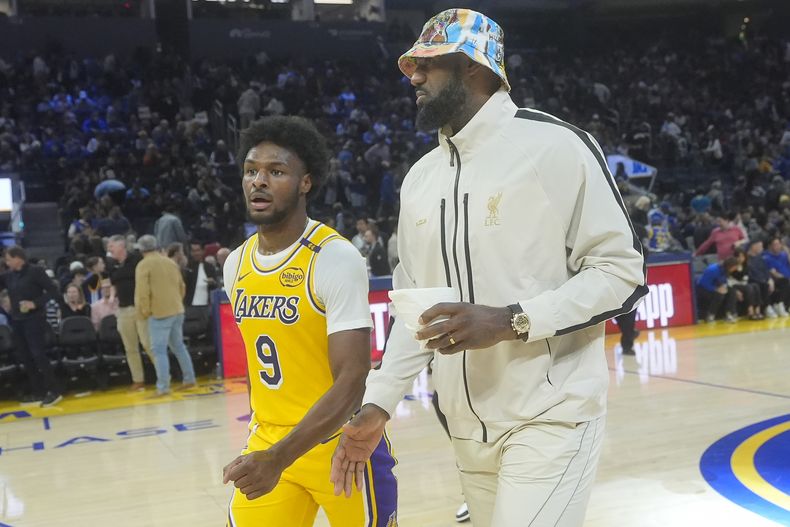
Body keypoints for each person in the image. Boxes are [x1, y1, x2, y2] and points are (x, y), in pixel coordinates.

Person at [329, 10, 647, 527]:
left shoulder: (555, 146)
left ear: (476, 68)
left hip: (552, 416)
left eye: (429, 65)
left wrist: (509, 319)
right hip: (463, 428)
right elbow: (417, 310)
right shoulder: (420, 179)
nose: (413, 77)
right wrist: (379, 404)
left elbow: (622, 272)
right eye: (413, 66)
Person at [221, 116, 397, 526]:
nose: (259, 181)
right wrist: (271, 450)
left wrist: (279, 457)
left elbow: (353, 378)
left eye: (276, 171)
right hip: (268, 439)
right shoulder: (236, 263)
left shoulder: (333, 258)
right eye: (251, 171)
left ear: (306, 182)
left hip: (341, 445)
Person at [134, 234, 197, 396]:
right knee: (179, 346)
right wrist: (177, 301)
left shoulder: (143, 265)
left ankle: (163, 387)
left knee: (158, 350)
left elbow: (143, 292)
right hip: (177, 309)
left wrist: (146, 310)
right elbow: (181, 286)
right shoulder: (169, 262)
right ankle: (189, 379)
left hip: (159, 313)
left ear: (141, 249)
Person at [0, 246, 62, 406]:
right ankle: (38, 391)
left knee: (38, 355)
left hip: (34, 319)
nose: (6, 263)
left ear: (17, 258)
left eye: (8, 259)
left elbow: (53, 291)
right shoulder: (8, 276)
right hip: (17, 321)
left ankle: (53, 391)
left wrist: (35, 303)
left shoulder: (36, 271)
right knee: (25, 357)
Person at [107, 234, 153, 391]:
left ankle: (163, 375)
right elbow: (112, 283)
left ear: (121, 246)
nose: (109, 249)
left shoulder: (136, 259)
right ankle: (138, 379)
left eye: (112, 246)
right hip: (123, 309)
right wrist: (112, 296)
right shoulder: (111, 264)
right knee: (130, 347)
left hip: (139, 308)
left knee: (148, 344)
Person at [697, 257, 739, 323]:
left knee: (732, 291)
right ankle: (710, 315)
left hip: (716, 286)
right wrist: (715, 289)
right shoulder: (713, 270)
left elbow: (724, 281)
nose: (736, 269)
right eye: (735, 267)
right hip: (704, 289)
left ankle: (729, 313)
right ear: (730, 266)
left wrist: (724, 287)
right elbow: (703, 283)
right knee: (720, 294)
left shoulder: (726, 270)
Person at [185, 240, 219, 307]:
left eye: (198, 250)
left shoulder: (210, 267)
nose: (196, 253)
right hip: (190, 307)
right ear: (190, 252)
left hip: (207, 306)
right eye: (193, 251)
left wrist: (213, 282)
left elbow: (216, 286)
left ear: (203, 251)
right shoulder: (187, 267)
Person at [763, 237, 790, 316]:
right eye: (775, 244)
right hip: (777, 279)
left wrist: (787, 252)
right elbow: (773, 273)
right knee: (785, 281)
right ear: (770, 246)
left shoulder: (784, 255)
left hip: (787, 277)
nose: (777, 246)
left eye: (778, 244)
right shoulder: (767, 257)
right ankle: (780, 304)